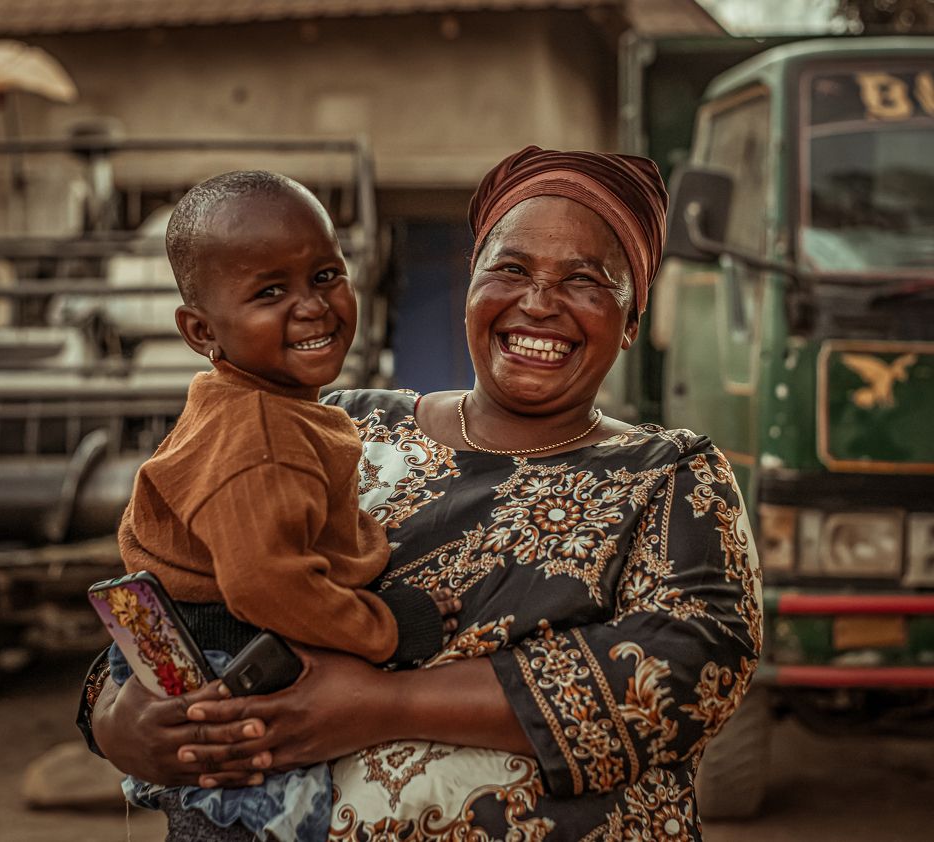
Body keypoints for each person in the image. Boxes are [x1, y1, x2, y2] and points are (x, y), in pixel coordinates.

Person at [79, 147, 762, 841]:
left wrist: (385, 705)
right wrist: (117, 720)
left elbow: (683, 674)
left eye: (585, 280)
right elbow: (186, 590)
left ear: (633, 319)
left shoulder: (669, 476)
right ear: (472, 284)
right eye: (511, 269)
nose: (539, 303)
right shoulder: (329, 422)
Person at [104, 170, 458, 842]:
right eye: (270, 292)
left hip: (205, 643)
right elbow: (267, 582)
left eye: (326, 274)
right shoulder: (260, 433)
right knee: (261, 820)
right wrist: (384, 627)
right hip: (227, 662)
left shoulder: (260, 405)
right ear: (200, 329)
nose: (313, 306)